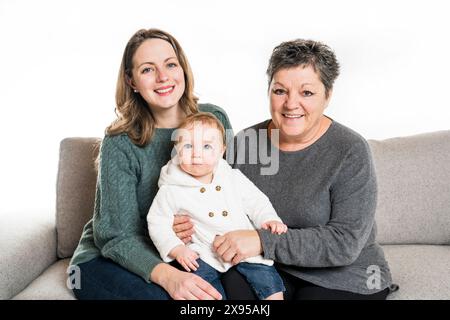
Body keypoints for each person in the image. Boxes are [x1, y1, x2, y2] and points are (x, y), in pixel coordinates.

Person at [173, 39, 394, 300]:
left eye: (307, 93)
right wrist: (185, 223)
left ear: (328, 95)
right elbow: (213, 197)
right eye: (280, 91)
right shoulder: (246, 142)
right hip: (267, 266)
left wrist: (262, 241)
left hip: (345, 274)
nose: (291, 104)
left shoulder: (350, 149)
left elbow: (345, 243)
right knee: (218, 292)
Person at [69, 28, 234, 300]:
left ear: (183, 69)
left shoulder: (213, 119)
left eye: (170, 64)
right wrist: (169, 273)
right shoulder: (120, 141)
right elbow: (116, 236)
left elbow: (229, 191)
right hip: (108, 258)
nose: (163, 77)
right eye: (147, 69)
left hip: (183, 250)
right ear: (131, 80)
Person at [147, 112, 287, 300]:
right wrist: (176, 249)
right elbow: (158, 222)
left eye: (206, 146)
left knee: (269, 283)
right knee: (200, 292)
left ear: (221, 150)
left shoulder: (232, 177)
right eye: (188, 146)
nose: (197, 153)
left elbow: (256, 201)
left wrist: (269, 219)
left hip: (244, 248)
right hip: (202, 253)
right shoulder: (171, 189)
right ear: (177, 150)